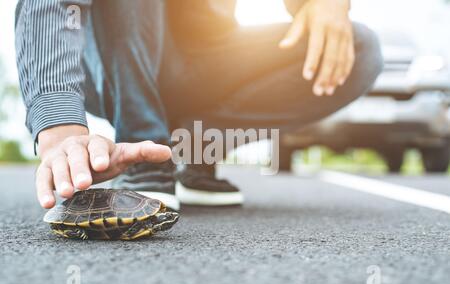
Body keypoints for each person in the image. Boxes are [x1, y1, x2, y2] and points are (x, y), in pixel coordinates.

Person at [15, 0, 382, 210]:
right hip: (111, 60)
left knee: (358, 48)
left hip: (205, 59)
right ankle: (145, 149)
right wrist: (59, 124)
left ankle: (189, 147)